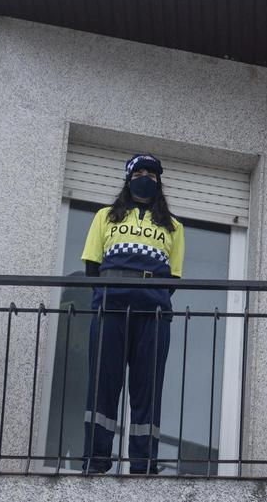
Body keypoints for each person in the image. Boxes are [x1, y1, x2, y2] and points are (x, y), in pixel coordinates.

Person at [81, 153, 185, 474]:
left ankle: (143, 463)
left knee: (147, 390)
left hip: (153, 314)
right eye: (139, 174)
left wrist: (148, 296)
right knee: (103, 385)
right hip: (110, 308)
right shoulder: (105, 216)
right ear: (128, 180)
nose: (145, 179)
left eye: (152, 175)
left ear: (159, 182)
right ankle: (96, 459)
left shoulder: (174, 226)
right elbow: (92, 267)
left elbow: (173, 279)